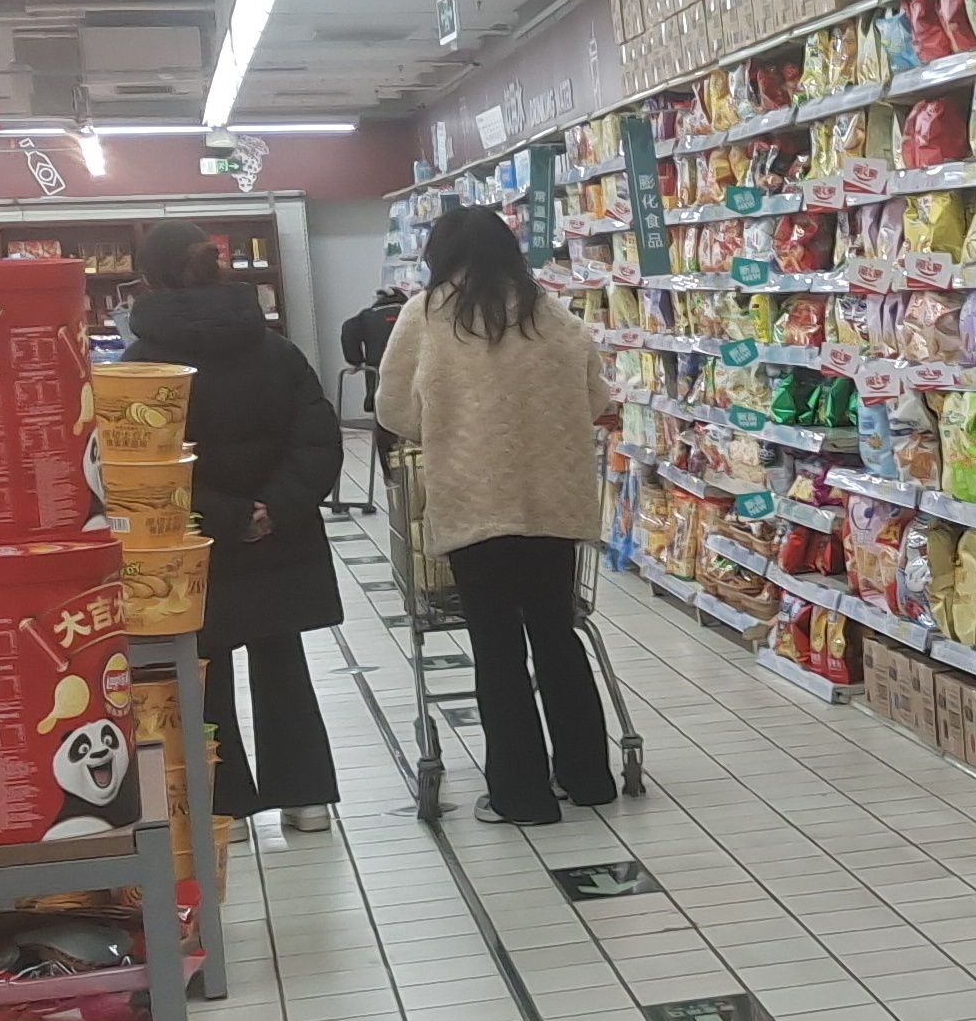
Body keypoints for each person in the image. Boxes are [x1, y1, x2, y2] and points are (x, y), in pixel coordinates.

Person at [375, 204, 615, 822]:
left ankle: (520, 794)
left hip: (473, 504)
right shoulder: (552, 313)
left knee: (497, 648)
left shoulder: (427, 315)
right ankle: (589, 777)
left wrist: (451, 425)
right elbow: (596, 396)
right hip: (554, 505)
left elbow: (394, 409)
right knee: (557, 635)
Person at [123, 223, 346, 831]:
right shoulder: (275, 349)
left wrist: (223, 516)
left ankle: (224, 808)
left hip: (191, 544)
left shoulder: (141, 367)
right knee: (284, 666)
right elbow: (317, 438)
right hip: (281, 539)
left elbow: (143, 467)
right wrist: (274, 508)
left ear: (150, 279)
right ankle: (306, 801)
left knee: (204, 674)